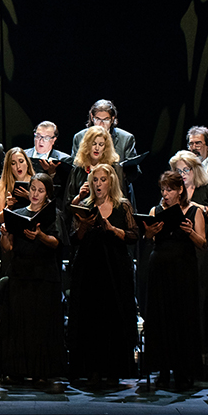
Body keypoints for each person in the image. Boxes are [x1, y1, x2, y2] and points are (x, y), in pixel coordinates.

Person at [0, 173, 65, 388]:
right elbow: (8, 248)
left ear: (47, 194)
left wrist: (40, 236)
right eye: (33, 189)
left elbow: (56, 243)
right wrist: (5, 235)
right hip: (20, 273)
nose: (35, 194)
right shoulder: (17, 214)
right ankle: (17, 370)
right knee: (19, 324)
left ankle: (42, 371)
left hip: (44, 275)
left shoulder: (53, 215)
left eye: (40, 190)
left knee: (41, 325)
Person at [68, 163, 139, 386]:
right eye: (95, 180)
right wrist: (83, 226)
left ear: (111, 182)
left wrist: (113, 230)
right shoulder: (84, 206)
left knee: (115, 316)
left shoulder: (122, 205)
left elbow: (134, 235)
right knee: (91, 319)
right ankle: (92, 369)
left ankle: (114, 369)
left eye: (103, 180)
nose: (98, 184)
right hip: (89, 269)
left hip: (115, 269)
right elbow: (73, 239)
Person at [143, 171, 207, 390]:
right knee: (161, 319)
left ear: (180, 190)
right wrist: (149, 233)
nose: (165, 194)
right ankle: (162, 370)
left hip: (183, 271)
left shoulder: (194, 211)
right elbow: (149, 239)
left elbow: (203, 243)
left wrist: (190, 232)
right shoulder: (156, 210)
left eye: (169, 190)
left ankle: (183, 371)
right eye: (163, 189)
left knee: (183, 318)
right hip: (160, 270)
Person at [170, 149, 208, 217]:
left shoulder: (207, 187)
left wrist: (199, 207)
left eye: (186, 170)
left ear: (195, 170)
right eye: (178, 171)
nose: (182, 174)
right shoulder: (172, 188)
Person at [0, 147, 35, 224]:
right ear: (9, 167)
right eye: (13, 163)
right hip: (13, 225)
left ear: (27, 163)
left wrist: (30, 197)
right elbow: (0, 219)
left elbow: (46, 210)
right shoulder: (3, 186)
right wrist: (8, 207)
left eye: (21, 161)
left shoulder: (36, 182)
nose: (18, 166)